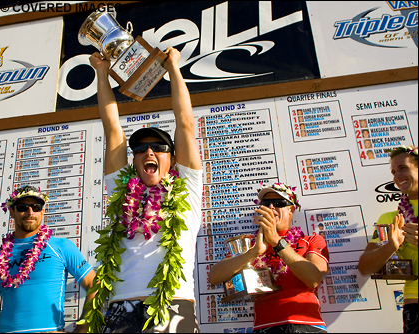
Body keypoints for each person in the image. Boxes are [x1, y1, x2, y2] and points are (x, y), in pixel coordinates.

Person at [83, 47, 202, 333]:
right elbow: (112, 129)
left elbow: (184, 123)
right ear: (134, 160)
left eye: (159, 147)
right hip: (120, 307)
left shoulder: (187, 187)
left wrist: (173, 67)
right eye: (140, 148)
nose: (149, 151)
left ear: (172, 158)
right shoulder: (121, 191)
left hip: (172, 305)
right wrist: (101, 73)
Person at [209, 182, 329, 333]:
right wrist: (254, 252)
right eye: (266, 203)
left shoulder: (311, 240)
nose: (272, 207)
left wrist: (276, 242)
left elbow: (314, 278)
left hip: (306, 324)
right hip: (265, 327)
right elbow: (214, 277)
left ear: (291, 209)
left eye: (279, 203)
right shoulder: (251, 244)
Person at [0, 185, 96, 333]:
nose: (30, 212)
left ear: (42, 211)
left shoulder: (62, 246)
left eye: (36, 207)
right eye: (22, 207)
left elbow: (95, 284)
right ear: (11, 212)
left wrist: (83, 328)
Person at [358, 145, 418, 333]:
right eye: (393, 171)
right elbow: (365, 266)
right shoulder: (390, 219)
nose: (397, 176)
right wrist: (391, 245)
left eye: (403, 168)